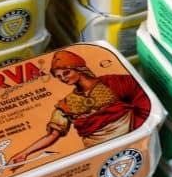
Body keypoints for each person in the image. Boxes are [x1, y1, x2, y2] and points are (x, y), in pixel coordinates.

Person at [10, 50, 151, 162]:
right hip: (98, 151)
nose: (64, 78)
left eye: (66, 73)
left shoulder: (112, 82)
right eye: (59, 77)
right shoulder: (67, 103)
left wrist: (140, 125)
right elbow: (52, 135)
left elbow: (143, 97)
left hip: (132, 141)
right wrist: (25, 152)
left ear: (79, 69)